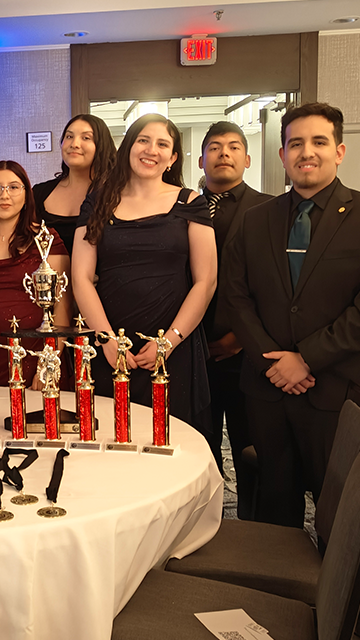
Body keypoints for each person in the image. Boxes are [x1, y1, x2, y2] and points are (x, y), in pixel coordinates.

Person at [224, 102, 360, 528]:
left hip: (336, 389)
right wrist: (273, 358)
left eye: (319, 142)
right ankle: (275, 591)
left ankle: (336, 595)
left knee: (338, 510)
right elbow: (236, 296)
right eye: (295, 143)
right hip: (267, 390)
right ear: (282, 154)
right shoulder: (254, 220)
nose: (307, 152)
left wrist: (307, 358)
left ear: (339, 151)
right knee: (273, 504)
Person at [73, 113, 217, 437]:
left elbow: (206, 281)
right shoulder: (98, 201)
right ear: (129, 146)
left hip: (173, 346)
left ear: (173, 157)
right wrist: (107, 340)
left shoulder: (190, 202)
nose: (151, 149)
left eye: (162, 144)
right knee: (111, 439)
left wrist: (168, 343)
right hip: (109, 343)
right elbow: (81, 276)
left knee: (173, 441)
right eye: (143, 140)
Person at [198, 121, 273, 519]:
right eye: (214, 147)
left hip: (246, 351)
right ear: (200, 159)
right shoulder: (181, 206)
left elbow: (272, 284)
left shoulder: (270, 208)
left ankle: (251, 524)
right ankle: (203, 519)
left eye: (232, 147)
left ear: (247, 158)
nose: (223, 153)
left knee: (249, 442)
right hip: (192, 350)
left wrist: (240, 339)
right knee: (200, 442)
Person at [0, 160, 70, 388]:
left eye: (14, 187)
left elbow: (63, 307)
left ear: (27, 194)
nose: (4, 195)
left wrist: (50, 361)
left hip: (38, 357)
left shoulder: (47, 240)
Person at [33, 114, 116, 255]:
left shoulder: (114, 195)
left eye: (86, 138)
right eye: (69, 136)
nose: (74, 144)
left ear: (101, 146)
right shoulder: (39, 192)